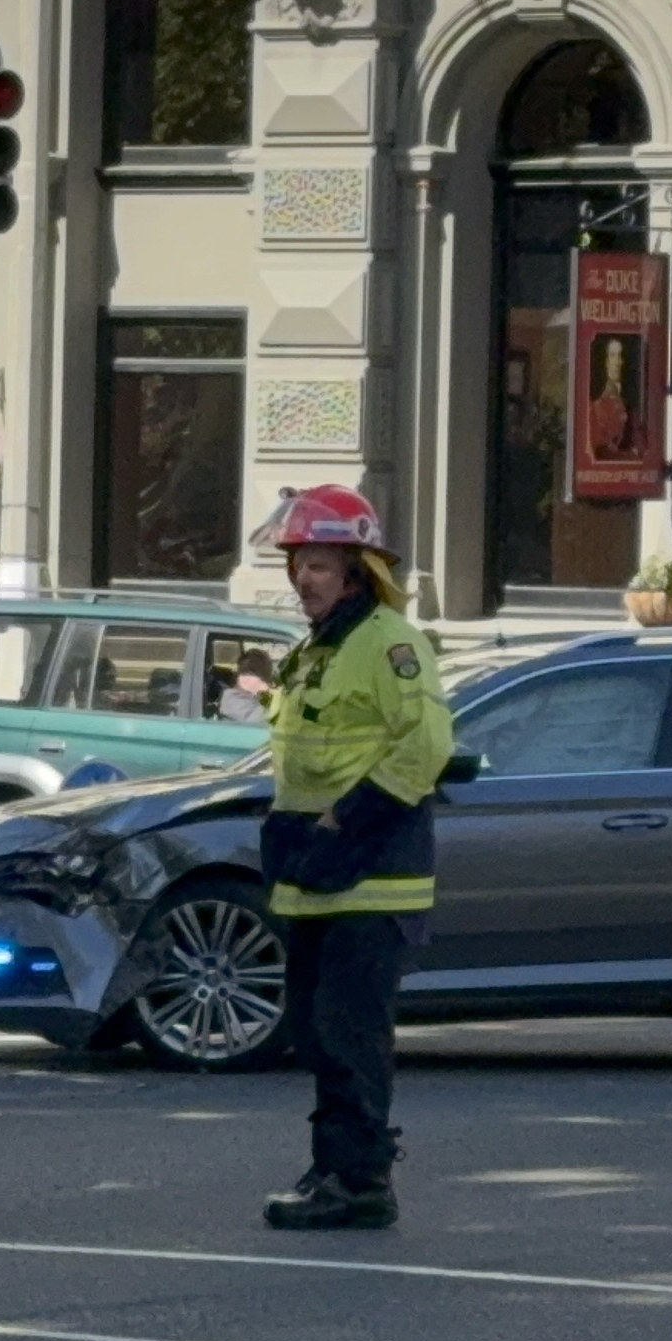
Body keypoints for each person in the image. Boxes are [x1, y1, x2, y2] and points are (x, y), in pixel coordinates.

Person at [251, 485, 451, 1232]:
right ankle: (334, 1165)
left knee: (348, 1034)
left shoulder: (389, 642)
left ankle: (359, 1179)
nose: (304, 578)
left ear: (357, 570)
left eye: (321, 565)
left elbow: (425, 746)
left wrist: (346, 817)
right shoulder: (315, 648)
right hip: (317, 876)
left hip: (369, 875)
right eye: (299, 562)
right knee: (315, 1031)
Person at [218, 647, 276, 723]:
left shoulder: (243, 698)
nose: (266, 684)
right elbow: (261, 720)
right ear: (247, 679)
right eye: (262, 680)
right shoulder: (234, 702)